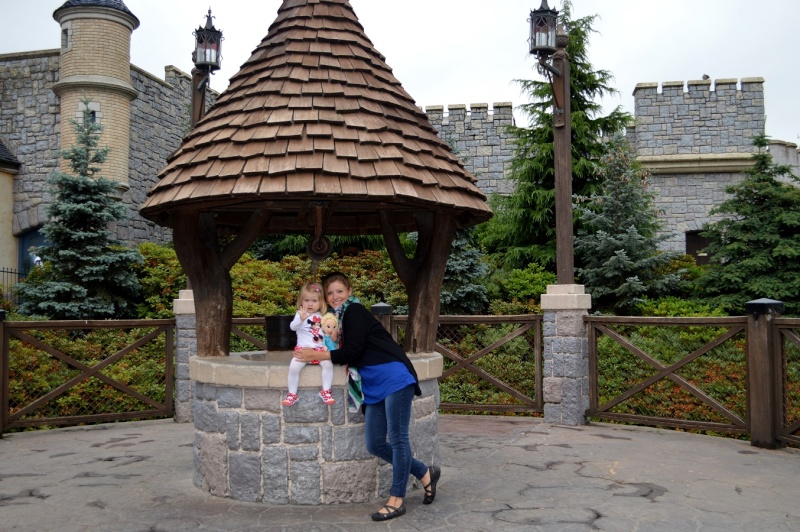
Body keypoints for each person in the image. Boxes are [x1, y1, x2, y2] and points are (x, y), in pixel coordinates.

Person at [293, 272, 441, 521]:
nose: (335, 296)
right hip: (372, 385)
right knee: (374, 443)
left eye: (339, 291)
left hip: (393, 377)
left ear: (349, 291)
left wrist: (314, 357)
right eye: (330, 293)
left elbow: (353, 351)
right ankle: (424, 472)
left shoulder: (355, 313)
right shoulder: (336, 321)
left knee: (398, 438)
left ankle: (397, 499)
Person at [283, 282, 335, 406]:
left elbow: (326, 330)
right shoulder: (300, 315)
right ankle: (292, 394)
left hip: (319, 351)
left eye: (314, 300)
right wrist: (300, 319)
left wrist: (333, 333)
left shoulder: (323, 316)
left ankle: (326, 391)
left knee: (328, 364)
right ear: (301, 301)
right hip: (303, 350)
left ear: (321, 302)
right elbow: (292, 327)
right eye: (306, 300)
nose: (310, 304)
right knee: (293, 368)